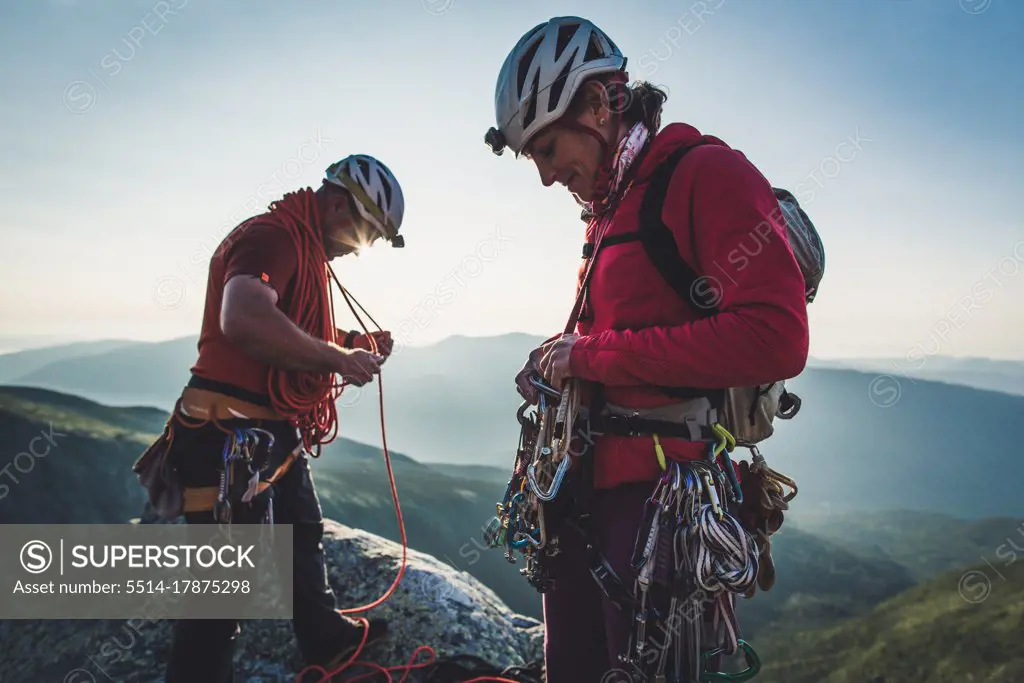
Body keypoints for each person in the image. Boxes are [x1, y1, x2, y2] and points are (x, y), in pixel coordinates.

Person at [484, 16, 809, 683]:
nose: (546, 176)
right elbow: (622, 331)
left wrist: (591, 358)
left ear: (599, 105)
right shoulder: (610, 208)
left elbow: (777, 335)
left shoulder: (706, 174)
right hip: (585, 495)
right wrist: (558, 359)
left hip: (661, 506)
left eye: (548, 149)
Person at [141, 154, 406, 682]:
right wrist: (337, 359)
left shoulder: (300, 243)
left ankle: (325, 639)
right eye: (366, 233)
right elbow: (243, 317)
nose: (361, 250)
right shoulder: (272, 239)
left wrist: (352, 344)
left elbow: (289, 323)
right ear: (336, 205)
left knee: (301, 530)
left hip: (265, 430)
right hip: (225, 435)